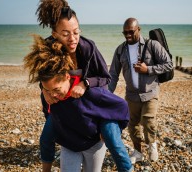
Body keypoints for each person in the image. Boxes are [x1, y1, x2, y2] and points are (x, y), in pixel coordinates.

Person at [35, 0, 132, 171]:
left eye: (76, 32)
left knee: (113, 140)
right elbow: (43, 75)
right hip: (66, 105)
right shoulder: (48, 49)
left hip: (96, 103)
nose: (72, 39)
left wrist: (85, 83)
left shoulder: (87, 48)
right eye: (65, 34)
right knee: (46, 138)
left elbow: (105, 78)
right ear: (54, 33)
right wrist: (44, 90)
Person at [108, 18, 173, 164]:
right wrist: (107, 94)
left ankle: (152, 144)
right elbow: (113, 75)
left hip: (150, 92)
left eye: (131, 31)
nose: (128, 35)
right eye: (125, 32)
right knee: (132, 125)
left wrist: (147, 69)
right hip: (131, 95)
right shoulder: (120, 50)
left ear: (139, 29)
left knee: (148, 119)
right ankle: (138, 152)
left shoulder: (152, 45)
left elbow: (169, 64)